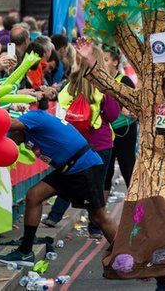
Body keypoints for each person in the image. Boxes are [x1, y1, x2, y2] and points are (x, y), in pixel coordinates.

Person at [0, 108, 115, 267]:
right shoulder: (28, 135)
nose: (10, 139)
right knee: (34, 195)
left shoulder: (33, 117)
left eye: (11, 135)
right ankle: (25, 252)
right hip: (67, 169)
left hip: (84, 166)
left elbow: (10, 123)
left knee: (98, 217)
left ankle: (126, 254)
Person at [46, 43, 119, 235]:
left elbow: (60, 109)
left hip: (75, 143)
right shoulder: (105, 85)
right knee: (96, 187)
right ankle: (95, 227)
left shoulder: (71, 84)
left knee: (70, 178)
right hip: (101, 143)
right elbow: (113, 115)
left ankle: (54, 215)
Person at [103, 50, 137, 196]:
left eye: (105, 60)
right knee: (106, 172)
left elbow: (136, 108)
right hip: (105, 133)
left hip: (124, 130)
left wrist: (126, 111)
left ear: (115, 62)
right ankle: (98, 218)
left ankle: (138, 211)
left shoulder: (124, 81)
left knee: (127, 168)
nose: (102, 64)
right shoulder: (100, 81)